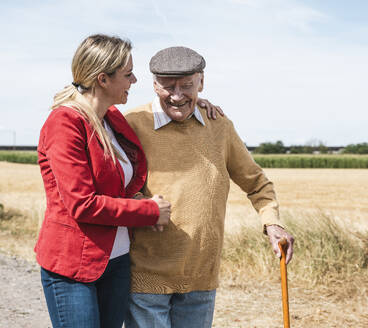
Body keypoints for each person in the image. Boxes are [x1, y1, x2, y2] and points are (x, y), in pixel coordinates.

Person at [123, 46, 295, 328]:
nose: (177, 96)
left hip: (201, 276)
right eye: (168, 87)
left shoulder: (219, 126)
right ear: (154, 85)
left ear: (201, 82)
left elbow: (257, 183)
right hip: (145, 276)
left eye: (187, 86)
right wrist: (140, 202)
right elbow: (113, 183)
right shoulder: (132, 123)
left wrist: (272, 223)